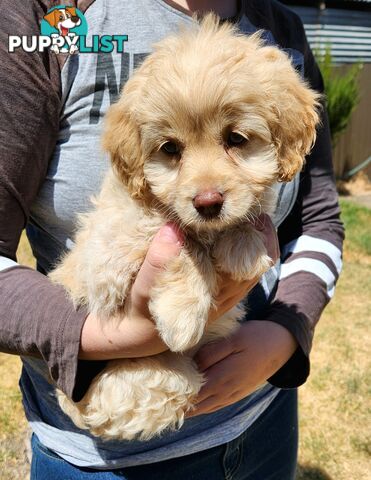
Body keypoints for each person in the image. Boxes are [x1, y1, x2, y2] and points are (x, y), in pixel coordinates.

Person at [0, 0, 344, 479]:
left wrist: (286, 332)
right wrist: (111, 337)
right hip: (104, 462)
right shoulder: (46, 15)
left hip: (263, 423)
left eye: (236, 139)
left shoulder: (280, 28)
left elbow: (319, 220)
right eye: (170, 149)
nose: (205, 188)